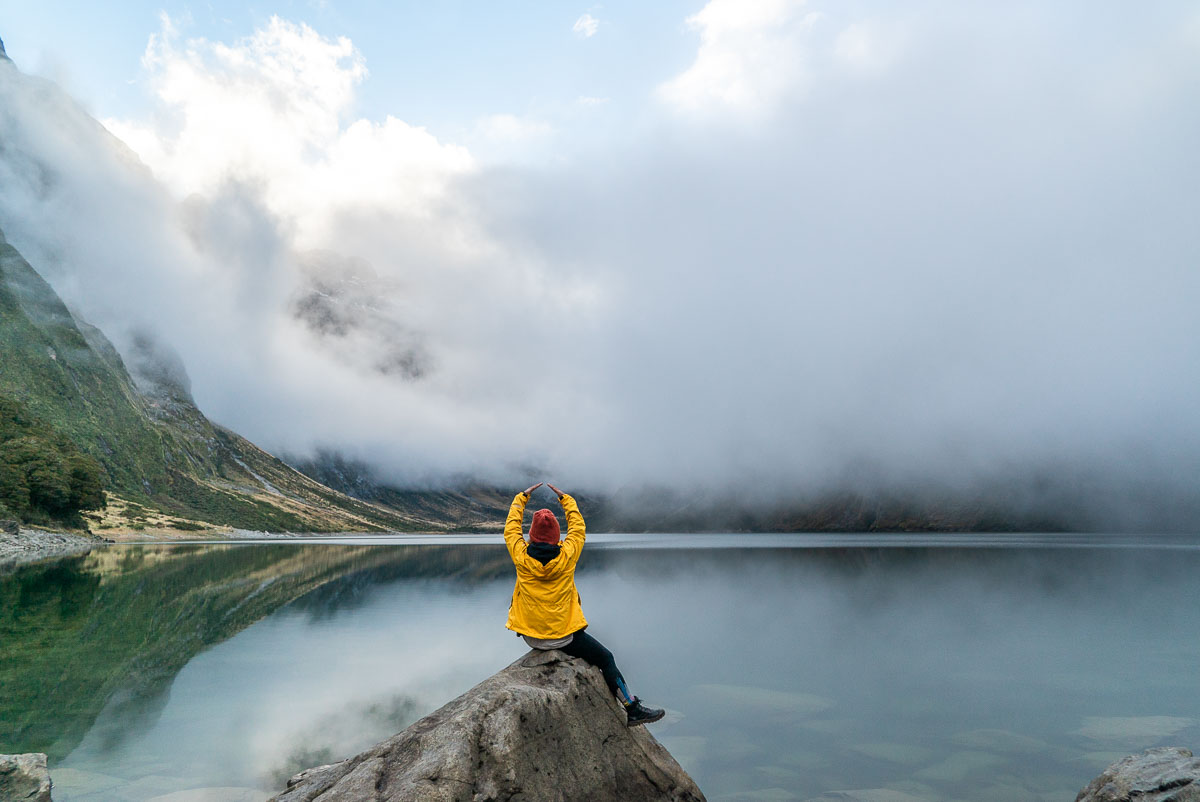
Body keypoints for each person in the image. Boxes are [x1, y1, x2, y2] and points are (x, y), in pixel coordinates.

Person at [504, 481, 665, 726]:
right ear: (557, 536)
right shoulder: (568, 554)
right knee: (606, 658)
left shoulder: (520, 555)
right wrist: (566, 499)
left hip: (530, 636)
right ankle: (631, 708)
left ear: (531, 536)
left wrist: (521, 498)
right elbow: (578, 528)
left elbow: (510, 528)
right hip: (564, 638)